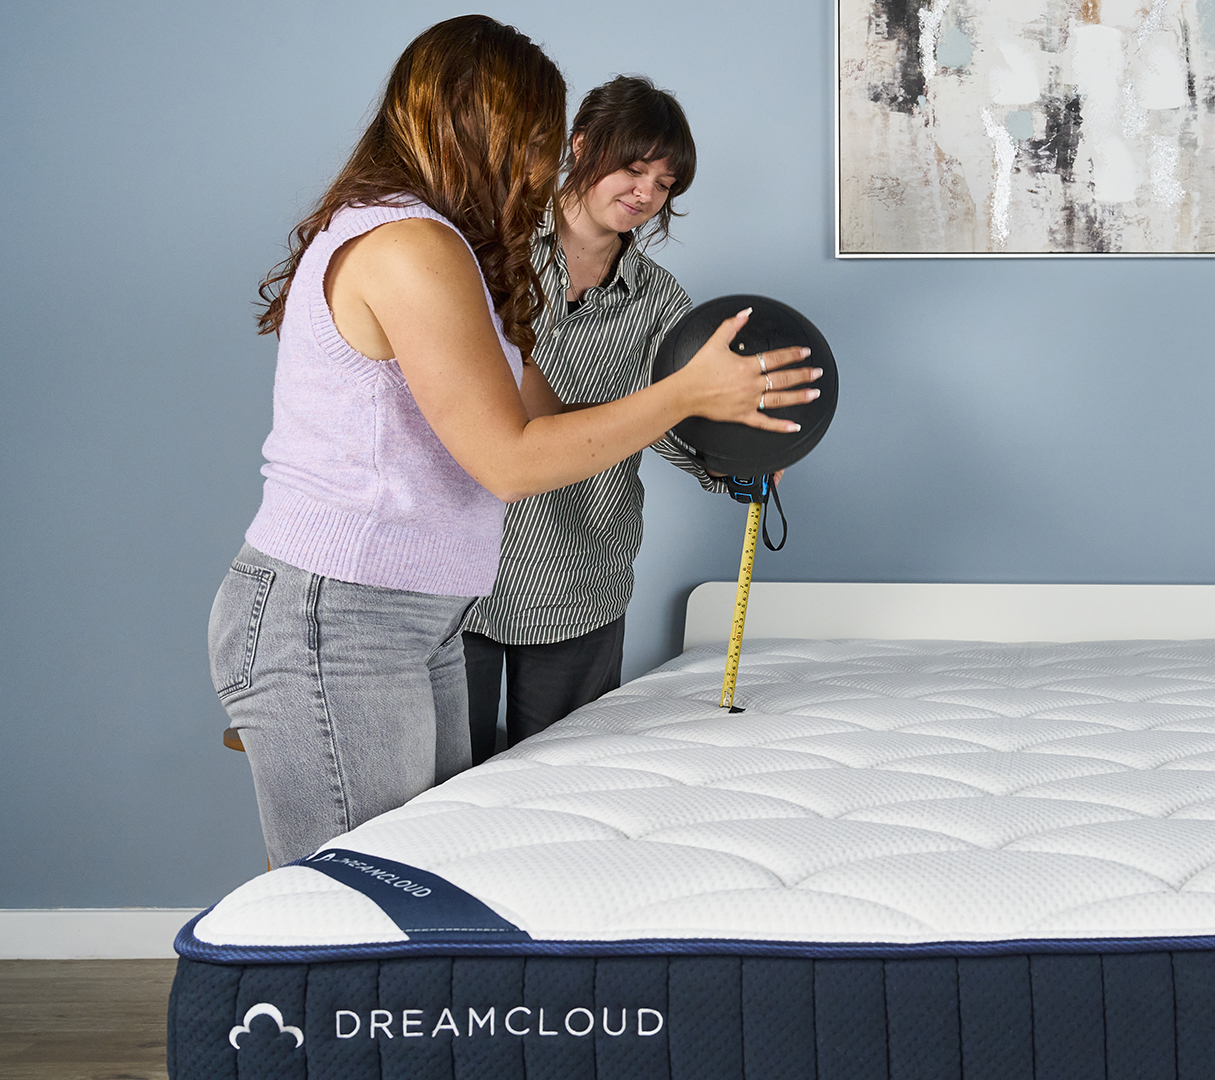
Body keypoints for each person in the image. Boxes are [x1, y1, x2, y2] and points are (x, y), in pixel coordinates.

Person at [206, 16, 821, 868]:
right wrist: (688, 391)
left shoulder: (458, 251)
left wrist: (726, 444)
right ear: (475, 124)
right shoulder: (412, 246)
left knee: (434, 873)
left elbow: (551, 421)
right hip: (341, 613)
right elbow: (510, 461)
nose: (540, 165)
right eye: (535, 138)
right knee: (358, 898)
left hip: (418, 611)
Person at [462, 76, 717, 763]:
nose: (646, 193)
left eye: (665, 183)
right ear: (580, 145)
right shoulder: (485, 252)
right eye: (633, 168)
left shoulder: (662, 301)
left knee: (567, 786)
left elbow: (672, 414)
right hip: (459, 571)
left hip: (580, 573)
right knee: (440, 788)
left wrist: (735, 464)